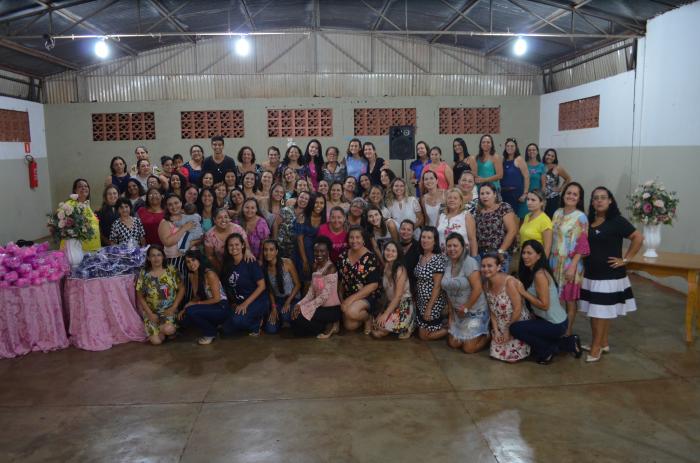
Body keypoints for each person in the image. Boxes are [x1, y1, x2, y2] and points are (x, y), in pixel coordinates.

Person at [579, 187, 643, 362]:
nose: (599, 201)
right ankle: (602, 342)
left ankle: (596, 347)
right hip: (591, 274)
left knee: (601, 313)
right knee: (596, 312)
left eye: (603, 198)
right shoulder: (589, 220)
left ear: (610, 201)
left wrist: (626, 259)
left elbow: (638, 237)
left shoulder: (617, 221)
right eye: (595, 198)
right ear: (592, 202)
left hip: (609, 276)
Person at [510, 240, 583, 364]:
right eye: (523, 253)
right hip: (549, 320)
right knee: (528, 331)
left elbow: (544, 305)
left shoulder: (539, 274)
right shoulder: (532, 271)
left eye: (529, 253)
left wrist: (523, 293)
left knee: (515, 328)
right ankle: (569, 342)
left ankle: (549, 349)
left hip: (556, 323)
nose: (525, 256)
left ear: (539, 255)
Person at [549, 182, 589, 336]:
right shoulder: (557, 212)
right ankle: (555, 327)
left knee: (569, 299)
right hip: (554, 261)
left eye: (575, 194)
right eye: (568, 193)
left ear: (579, 198)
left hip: (570, 263)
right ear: (563, 194)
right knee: (554, 297)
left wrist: (572, 266)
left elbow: (582, 243)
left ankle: (567, 332)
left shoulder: (581, 217)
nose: (571, 196)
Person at [442, 233, 490, 354]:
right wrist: (451, 314)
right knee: (454, 343)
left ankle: (488, 335)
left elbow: (478, 289)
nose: (452, 249)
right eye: (449, 246)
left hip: (473, 311)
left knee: (468, 349)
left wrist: (466, 308)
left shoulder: (469, 262)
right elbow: (448, 289)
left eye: (455, 245)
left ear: (463, 247)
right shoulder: (447, 263)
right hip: (458, 312)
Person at [481, 252, 531, 363]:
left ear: (498, 267)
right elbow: (492, 310)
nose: (485, 269)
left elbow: (518, 308)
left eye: (490, 266)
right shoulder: (486, 285)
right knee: (495, 354)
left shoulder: (509, 282)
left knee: (512, 358)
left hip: (516, 322)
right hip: (500, 323)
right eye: (483, 266)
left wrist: (508, 330)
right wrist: (496, 330)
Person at [291, 236, 342, 338]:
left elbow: (324, 297)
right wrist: (299, 304)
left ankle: (331, 323)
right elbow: (311, 292)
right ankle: (325, 325)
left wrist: (306, 308)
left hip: (331, 309)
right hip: (319, 307)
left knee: (299, 318)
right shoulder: (315, 267)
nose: (319, 254)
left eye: (322, 251)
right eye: (316, 251)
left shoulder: (331, 268)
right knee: (295, 325)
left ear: (328, 252)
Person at [220, 233, 270, 336]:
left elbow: (262, 286)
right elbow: (228, 287)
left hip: (257, 301)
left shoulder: (250, 261)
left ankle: (258, 323)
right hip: (240, 302)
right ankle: (249, 322)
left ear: (243, 245)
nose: (234, 247)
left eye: (237, 244)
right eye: (231, 245)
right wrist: (234, 303)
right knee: (225, 331)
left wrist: (245, 304)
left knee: (237, 321)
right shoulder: (227, 264)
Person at [136, 245, 184, 345]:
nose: (156, 258)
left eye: (159, 255)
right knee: (156, 342)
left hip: (168, 311)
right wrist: (149, 313)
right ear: (148, 258)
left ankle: (165, 331)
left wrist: (174, 307)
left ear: (163, 257)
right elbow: (140, 295)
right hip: (151, 312)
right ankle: (160, 331)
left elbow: (182, 289)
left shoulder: (171, 270)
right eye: (153, 256)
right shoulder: (143, 273)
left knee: (169, 329)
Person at [178, 250, 229, 345]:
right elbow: (197, 296)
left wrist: (195, 304)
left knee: (191, 312)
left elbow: (217, 298)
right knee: (184, 320)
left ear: (199, 260)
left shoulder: (209, 274)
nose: (191, 264)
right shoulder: (192, 275)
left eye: (193, 260)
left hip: (221, 307)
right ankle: (214, 326)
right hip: (209, 306)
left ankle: (210, 333)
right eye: (188, 262)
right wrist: (186, 307)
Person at [337, 226, 381, 333]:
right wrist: (342, 299)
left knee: (351, 312)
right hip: (349, 295)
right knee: (349, 326)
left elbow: (373, 285)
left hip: (367, 296)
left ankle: (368, 318)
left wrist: (350, 300)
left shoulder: (371, 258)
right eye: (351, 238)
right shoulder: (342, 256)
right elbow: (341, 281)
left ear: (363, 240)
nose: (354, 240)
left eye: (358, 237)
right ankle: (361, 315)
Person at [371, 241, 415, 339]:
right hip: (391, 304)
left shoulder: (400, 270)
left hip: (403, 305)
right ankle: (393, 328)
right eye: (387, 250)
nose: (390, 253)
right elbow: (387, 294)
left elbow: (398, 296)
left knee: (379, 330)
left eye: (393, 251)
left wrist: (385, 314)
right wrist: (383, 311)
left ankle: (408, 326)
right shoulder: (386, 266)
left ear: (398, 254)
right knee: (376, 326)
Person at [414, 226, 448, 340]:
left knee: (424, 337)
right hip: (421, 302)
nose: (425, 240)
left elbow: (437, 286)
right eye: (423, 237)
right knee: (421, 333)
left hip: (433, 303)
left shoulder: (438, 259)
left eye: (429, 238)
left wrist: (429, 307)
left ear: (435, 241)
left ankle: (451, 330)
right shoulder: (420, 256)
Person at [262, 239, 302, 333]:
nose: (268, 253)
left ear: (276, 251)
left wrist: (288, 302)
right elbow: (270, 290)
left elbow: (298, 285)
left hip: (293, 298)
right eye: (265, 250)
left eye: (271, 250)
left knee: (286, 316)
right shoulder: (265, 268)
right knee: (270, 330)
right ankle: (281, 321)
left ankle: (285, 320)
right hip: (278, 300)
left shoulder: (287, 263)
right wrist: (274, 307)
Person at [475, 183, 517, 271]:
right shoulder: (478, 212)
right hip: (483, 255)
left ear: (494, 194)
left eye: (487, 193)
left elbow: (512, 231)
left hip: (499, 253)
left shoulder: (504, 207)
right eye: (482, 194)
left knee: (499, 282)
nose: (484, 196)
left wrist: (501, 251)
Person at [158, 194, 198, 277]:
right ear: (167, 207)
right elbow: (167, 242)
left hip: (192, 257)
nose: (174, 206)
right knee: (179, 286)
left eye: (176, 203)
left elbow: (200, 235)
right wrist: (184, 228)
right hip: (174, 259)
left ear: (181, 203)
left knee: (193, 285)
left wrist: (191, 244)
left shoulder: (189, 216)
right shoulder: (165, 222)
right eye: (170, 204)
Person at [203, 208, 250, 273]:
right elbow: (210, 256)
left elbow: (246, 247)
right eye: (219, 218)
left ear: (229, 219)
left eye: (226, 217)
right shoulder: (209, 235)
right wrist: (221, 269)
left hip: (241, 263)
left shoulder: (238, 229)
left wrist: (247, 251)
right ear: (214, 220)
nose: (223, 220)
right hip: (221, 266)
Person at [62, 179, 101, 252]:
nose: (83, 188)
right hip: (78, 250)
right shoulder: (69, 204)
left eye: (86, 186)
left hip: (93, 248)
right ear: (75, 190)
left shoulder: (86, 204)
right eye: (80, 186)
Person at [294, 193, 325, 282]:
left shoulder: (324, 218)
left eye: (321, 203)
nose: (319, 205)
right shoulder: (302, 217)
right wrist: (305, 261)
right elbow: (299, 240)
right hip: (302, 254)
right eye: (316, 202)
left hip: (317, 255)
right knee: (304, 281)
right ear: (311, 203)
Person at [437, 188, 477, 255]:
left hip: (462, 257)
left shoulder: (466, 215)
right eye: (449, 198)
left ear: (461, 201)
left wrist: (474, 258)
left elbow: (472, 240)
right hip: (443, 257)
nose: (452, 200)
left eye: (455, 198)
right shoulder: (441, 216)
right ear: (446, 200)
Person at [501, 138, 529, 220]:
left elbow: (526, 177)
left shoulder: (519, 159)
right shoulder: (504, 160)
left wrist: (525, 193)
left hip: (515, 194)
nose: (510, 148)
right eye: (508, 146)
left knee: (514, 218)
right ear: (505, 147)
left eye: (512, 146)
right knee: (505, 218)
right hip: (504, 194)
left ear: (516, 147)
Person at [519, 190, 553, 256]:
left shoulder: (545, 220)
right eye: (528, 199)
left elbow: (547, 248)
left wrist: (542, 264)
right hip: (524, 258)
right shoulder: (527, 216)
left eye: (533, 200)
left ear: (542, 202)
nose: (529, 202)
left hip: (537, 260)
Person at [277, 191, 310, 258]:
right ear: (297, 198)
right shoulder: (286, 210)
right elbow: (276, 225)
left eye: (306, 199)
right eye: (301, 197)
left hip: (295, 250)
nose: (303, 200)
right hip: (280, 246)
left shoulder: (308, 217)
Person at [542, 148, 571, 218]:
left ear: (555, 158)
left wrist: (560, 188)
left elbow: (568, 178)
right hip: (541, 198)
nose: (550, 157)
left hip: (553, 199)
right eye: (548, 155)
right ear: (545, 155)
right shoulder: (540, 166)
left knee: (552, 219)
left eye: (552, 156)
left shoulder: (558, 168)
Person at [398, 219, 420, 295]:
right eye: (403, 229)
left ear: (413, 232)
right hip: (398, 286)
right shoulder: (396, 247)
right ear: (399, 230)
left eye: (409, 230)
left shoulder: (418, 247)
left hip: (413, 288)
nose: (405, 232)